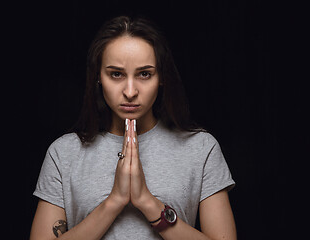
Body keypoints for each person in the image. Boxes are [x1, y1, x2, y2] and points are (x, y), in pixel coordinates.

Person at [30, 16, 236, 240]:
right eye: (116, 74)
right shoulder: (63, 153)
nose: (130, 91)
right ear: (98, 76)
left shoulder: (201, 148)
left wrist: (147, 202)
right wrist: (114, 201)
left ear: (162, 78)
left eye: (144, 74)